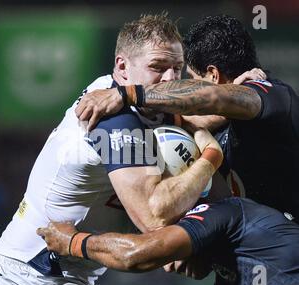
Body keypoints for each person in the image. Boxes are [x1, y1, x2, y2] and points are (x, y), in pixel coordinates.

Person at [0, 13, 223, 285]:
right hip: (28, 277)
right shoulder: (111, 119)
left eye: (177, 68)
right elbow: (154, 220)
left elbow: (210, 108)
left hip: (65, 278)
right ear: (122, 67)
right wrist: (210, 157)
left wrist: (248, 88)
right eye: (158, 67)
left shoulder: (141, 100)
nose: (169, 78)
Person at [75, 14, 299, 220]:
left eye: (187, 78)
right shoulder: (217, 117)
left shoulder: (274, 97)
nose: (174, 83)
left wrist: (128, 94)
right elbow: (199, 114)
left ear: (213, 75)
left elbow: (213, 98)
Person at [38, 197, 299, 285]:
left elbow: (138, 255)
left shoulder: (226, 212)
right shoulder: (232, 269)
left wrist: (72, 242)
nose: (169, 266)